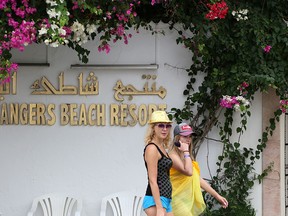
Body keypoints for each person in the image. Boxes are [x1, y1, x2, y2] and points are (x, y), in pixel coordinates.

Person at [169, 123, 228, 216]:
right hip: (175, 199)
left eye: (190, 137)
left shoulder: (187, 157)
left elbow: (197, 178)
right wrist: (185, 151)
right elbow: (188, 172)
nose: (188, 140)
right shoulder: (173, 156)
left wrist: (217, 196)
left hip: (186, 200)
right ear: (177, 139)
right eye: (185, 136)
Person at [142, 110, 175, 216]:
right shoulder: (152, 148)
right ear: (153, 128)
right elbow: (152, 179)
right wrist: (159, 207)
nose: (164, 129)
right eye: (161, 125)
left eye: (167, 126)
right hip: (155, 200)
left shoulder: (162, 148)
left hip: (165, 198)